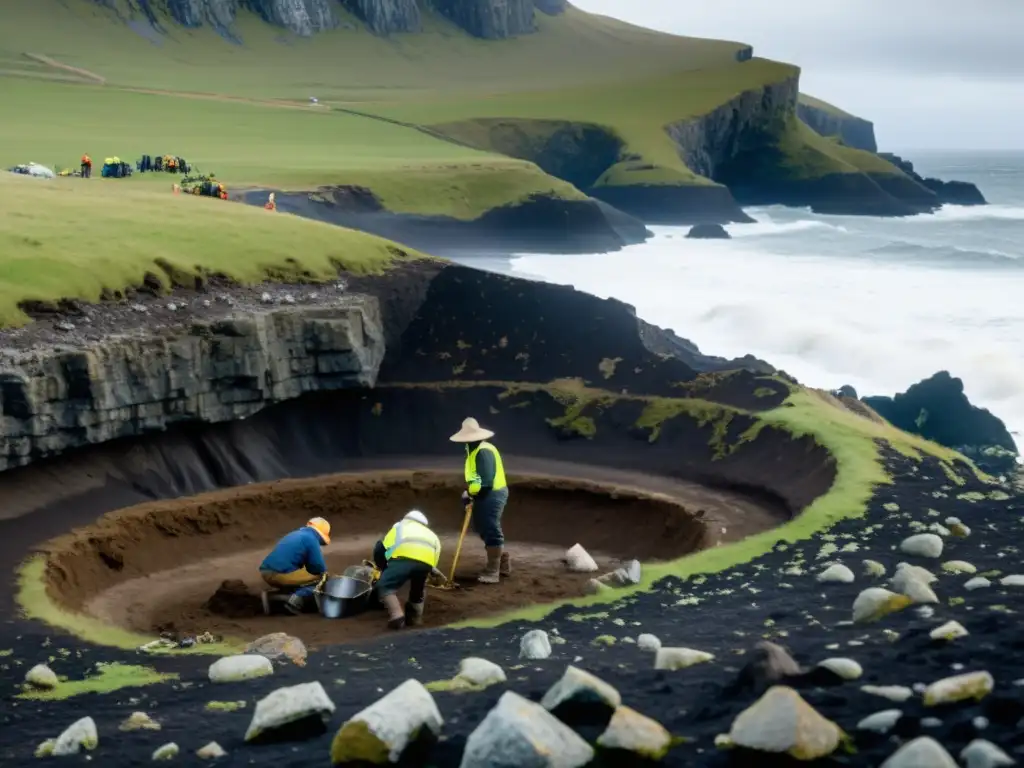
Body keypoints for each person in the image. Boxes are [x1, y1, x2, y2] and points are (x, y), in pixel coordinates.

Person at [449, 417, 510, 584]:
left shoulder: (483, 451)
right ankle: (502, 563)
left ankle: (493, 571)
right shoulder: (473, 450)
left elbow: (487, 481)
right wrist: (470, 493)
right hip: (484, 494)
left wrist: (470, 493)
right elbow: (476, 479)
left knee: (490, 527)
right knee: (482, 527)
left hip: (492, 493)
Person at [372, 510, 441, 630]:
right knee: (417, 590)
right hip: (426, 564)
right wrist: (431, 570)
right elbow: (435, 556)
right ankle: (416, 619)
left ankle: (397, 616)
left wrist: (383, 567)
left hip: (402, 559)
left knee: (384, 586)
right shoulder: (432, 534)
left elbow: (381, 548)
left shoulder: (399, 527)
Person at [259, 517, 331, 615]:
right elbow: (318, 567)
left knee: (305, 576)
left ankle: (282, 596)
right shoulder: (311, 539)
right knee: (322, 577)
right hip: (279, 574)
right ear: (320, 534)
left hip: (266, 572)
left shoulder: (294, 534)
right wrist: (325, 575)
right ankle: (295, 600)